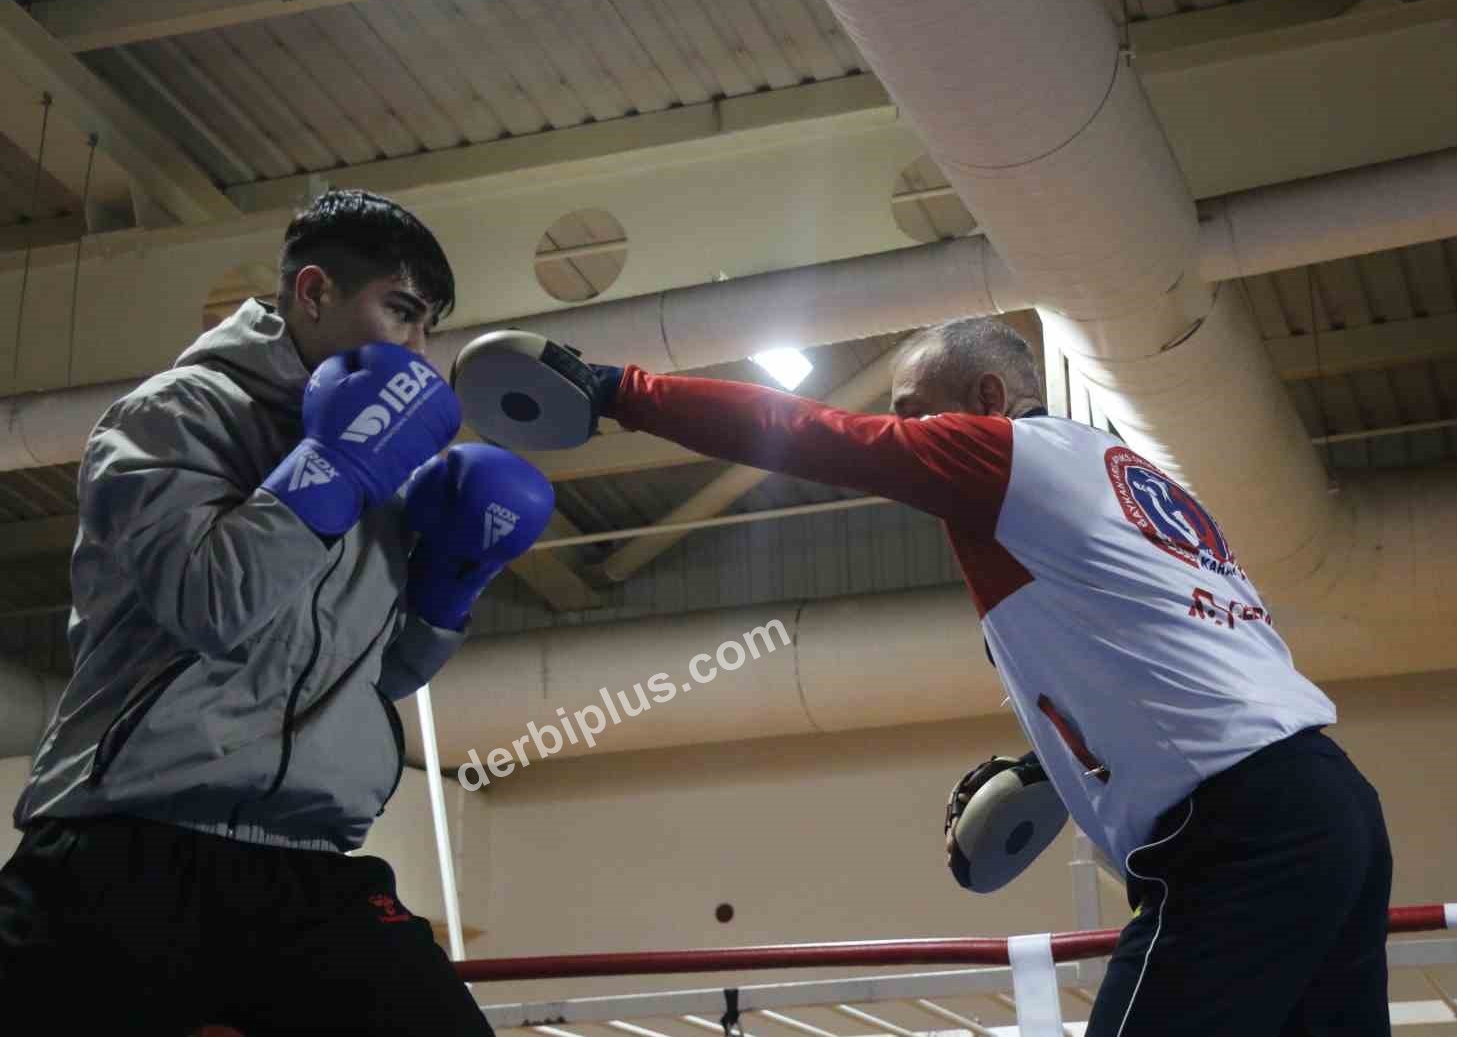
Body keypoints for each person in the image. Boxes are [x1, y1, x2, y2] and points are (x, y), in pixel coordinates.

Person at [488, 317, 1394, 1036]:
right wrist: (1065, 769)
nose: (910, 430)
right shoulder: (1128, 483)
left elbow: (816, 436)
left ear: (990, 396)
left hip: (1237, 836)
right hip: (1330, 807)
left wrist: (619, 391)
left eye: (919, 406)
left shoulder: (1005, 453)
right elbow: (1183, 655)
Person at [0, 189, 553, 1035]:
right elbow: (213, 602)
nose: (416, 348)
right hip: (127, 844)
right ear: (314, 294)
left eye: (428, 326)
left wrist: (452, 586)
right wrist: (329, 465)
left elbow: (380, 675)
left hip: (304, 864)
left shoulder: (388, 469)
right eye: (399, 311)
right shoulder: (175, 414)